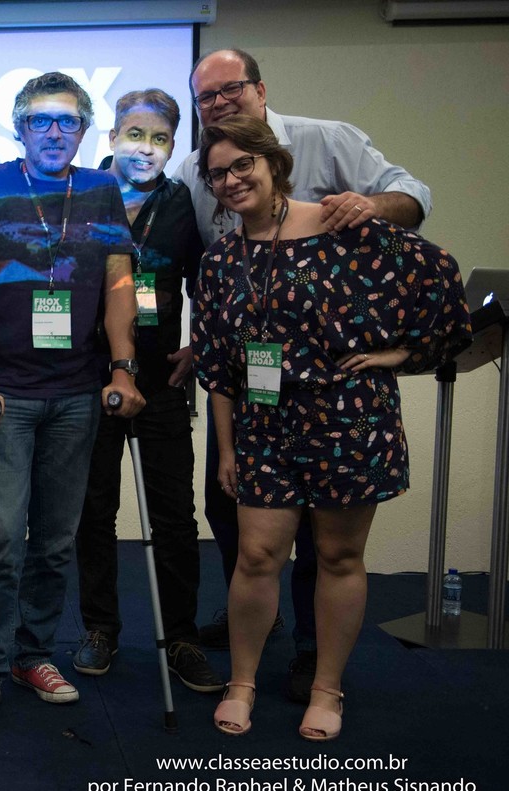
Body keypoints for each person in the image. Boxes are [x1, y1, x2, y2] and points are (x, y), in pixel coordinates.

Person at [192, 115, 470, 741]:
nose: (233, 180)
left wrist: (403, 354)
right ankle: (243, 683)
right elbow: (218, 366)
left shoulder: (345, 227)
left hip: (350, 419)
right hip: (266, 426)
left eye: (243, 166)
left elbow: (440, 274)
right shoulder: (221, 260)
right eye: (218, 174)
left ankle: (327, 689)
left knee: (340, 556)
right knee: (257, 556)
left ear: (272, 164)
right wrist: (226, 451)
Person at [173, 48, 433, 702]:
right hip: (255, 396)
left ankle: (316, 662)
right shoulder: (190, 173)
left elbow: (417, 207)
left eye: (231, 89)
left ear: (260, 89)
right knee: (237, 526)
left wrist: (369, 208)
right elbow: (205, 277)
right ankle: (259, 633)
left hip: (339, 402)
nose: (220, 103)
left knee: (328, 544)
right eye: (206, 97)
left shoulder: (330, 141)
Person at [0, 72, 143, 731]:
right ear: (20, 129)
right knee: (0, 537)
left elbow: (119, 285)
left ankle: (32, 654)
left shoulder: (101, 189)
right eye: (39, 121)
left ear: (83, 131)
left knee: (56, 539)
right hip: (3, 392)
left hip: (79, 393)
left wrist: (122, 368)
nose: (53, 133)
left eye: (66, 122)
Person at [73, 89, 220, 692]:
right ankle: (100, 629)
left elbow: (206, 282)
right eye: (135, 135)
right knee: (93, 511)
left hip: (161, 380)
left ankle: (181, 636)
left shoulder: (182, 203)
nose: (147, 149)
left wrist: (201, 344)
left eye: (160, 139)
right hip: (87, 377)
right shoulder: (80, 196)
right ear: (111, 139)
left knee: (174, 517)